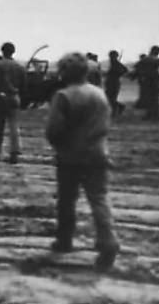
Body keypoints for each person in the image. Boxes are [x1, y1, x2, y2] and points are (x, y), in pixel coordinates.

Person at [45, 52, 121, 271]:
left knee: (67, 199)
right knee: (99, 198)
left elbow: (54, 130)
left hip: (71, 156)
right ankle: (109, 240)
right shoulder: (99, 94)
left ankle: (65, 239)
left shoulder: (63, 96)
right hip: (98, 153)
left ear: (64, 72)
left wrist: (60, 143)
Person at [0, 42, 26, 163]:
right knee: (14, 126)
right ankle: (14, 153)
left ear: (2, 51)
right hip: (14, 96)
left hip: (1, 97)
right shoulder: (19, 66)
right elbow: (24, 84)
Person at [140, 45, 159, 121]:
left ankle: (150, 115)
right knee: (155, 99)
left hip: (147, 81)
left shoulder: (145, 59)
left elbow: (139, 68)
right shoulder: (157, 59)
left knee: (149, 99)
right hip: (155, 81)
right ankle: (155, 116)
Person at [103, 51, 127, 117]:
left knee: (111, 99)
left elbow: (125, 70)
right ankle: (117, 109)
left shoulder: (116, 64)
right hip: (111, 83)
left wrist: (118, 74)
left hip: (114, 83)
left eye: (112, 56)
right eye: (110, 56)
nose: (110, 57)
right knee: (109, 98)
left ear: (115, 56)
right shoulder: (113, 63)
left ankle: (117, 110)